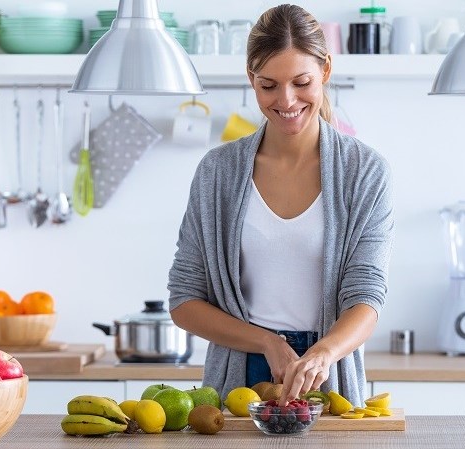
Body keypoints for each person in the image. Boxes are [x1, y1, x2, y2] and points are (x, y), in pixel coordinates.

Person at [167, 4, 394, 407]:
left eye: (301, 82)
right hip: (239, 374)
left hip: (328, 370)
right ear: (251, 79)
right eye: (268, 85)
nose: (286, 100)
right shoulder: (217, 172)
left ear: (325, 71)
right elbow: (185, 301)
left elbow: (367, 296)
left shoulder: (366, 172)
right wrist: (266, 342)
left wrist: (324, 352)